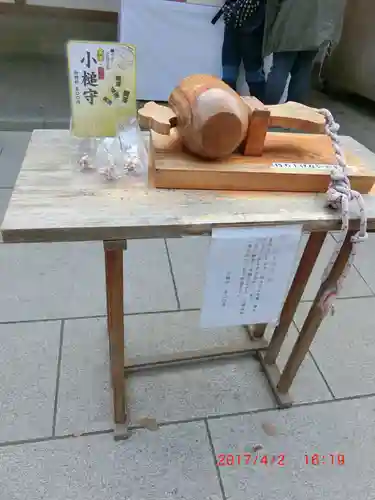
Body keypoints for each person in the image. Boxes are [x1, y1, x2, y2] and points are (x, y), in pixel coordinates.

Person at [263, 0, 348, 105]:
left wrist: (269, 31)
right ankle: (294, 114)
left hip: (289, 24)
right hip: (316, 29)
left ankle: (268, 111)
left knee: (280, 69)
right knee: (303, 71)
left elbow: (273, 3)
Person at [216, 0, 266, 101]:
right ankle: (260, 109)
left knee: (231, 75)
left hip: (241, 28)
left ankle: (230, 109)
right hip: (250, 30)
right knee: (252, 77)